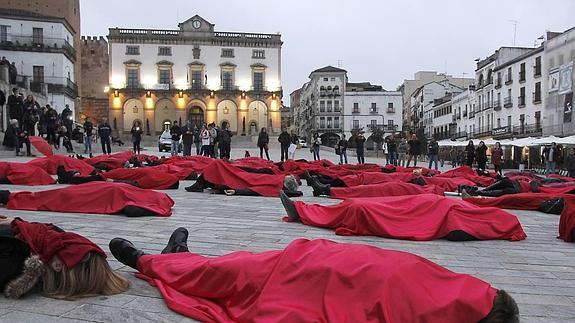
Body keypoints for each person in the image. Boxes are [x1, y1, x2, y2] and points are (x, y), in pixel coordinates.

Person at [109, 231, 520, 323]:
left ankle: (151, 261)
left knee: (224, 276)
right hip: (307, 264)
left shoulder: (450, 290)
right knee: (224, 271)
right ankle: (168, 260)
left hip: (302, 278)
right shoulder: (445, 294)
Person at [0, 216, 130, 300]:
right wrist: (17, 223)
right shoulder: (46, 247)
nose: (61, 236)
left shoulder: (11, 261)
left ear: (57, 265)